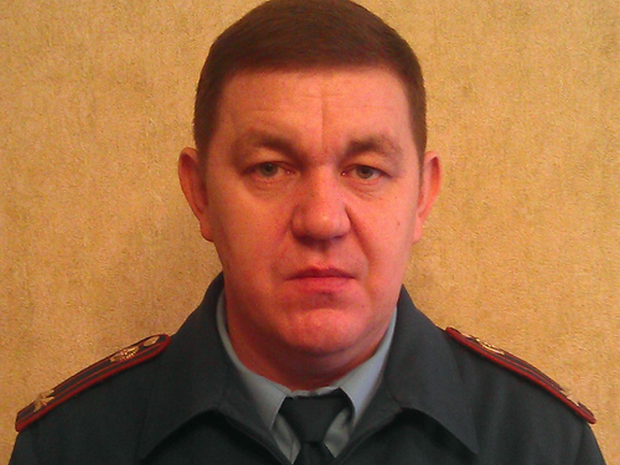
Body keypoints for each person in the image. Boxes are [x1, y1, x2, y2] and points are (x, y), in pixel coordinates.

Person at [10, 0, 606, 463]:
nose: (322, 221)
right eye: (271, 168)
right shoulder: (69, 446)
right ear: (201, 194)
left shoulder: (544, 444)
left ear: (423, 195)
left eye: (365, 170)